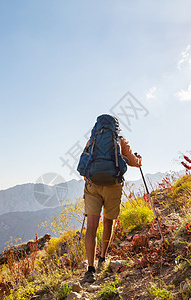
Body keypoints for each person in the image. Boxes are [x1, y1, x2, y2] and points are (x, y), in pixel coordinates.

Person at [80, 114, 142, 283]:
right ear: (116, 127)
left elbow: (83, 162)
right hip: (113, 187)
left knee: (91, 226)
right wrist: (139, 160)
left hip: (93, 186)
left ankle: (90, 269)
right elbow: (133, 162)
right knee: (108, 221)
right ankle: (103, 257)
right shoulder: (120, 141)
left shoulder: (92, 141)